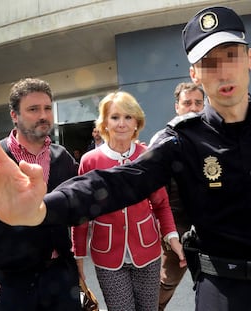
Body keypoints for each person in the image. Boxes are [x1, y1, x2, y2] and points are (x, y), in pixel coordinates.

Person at [0, 6, 251, 311]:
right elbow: (116, 181)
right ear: (195, 72)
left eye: (231, 54)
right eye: (209, 62)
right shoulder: (182, 139)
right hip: (223, 292)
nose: (222, 69)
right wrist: (41, 209)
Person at [0, 78, 81, 311]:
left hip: (59, 277)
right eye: (33, 109)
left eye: (46, 108)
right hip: (7, 282)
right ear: (14, 115)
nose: (43, 115)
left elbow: (75, 208)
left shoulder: (62, 158)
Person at [72, 91, 184, 311]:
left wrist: (172, 238)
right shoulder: (90, 161)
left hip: (148, 250)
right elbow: (81, 212)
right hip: (107, 254)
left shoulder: (148, 156)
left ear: (137, 122)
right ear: (104, 122)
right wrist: (78, 256)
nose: (121, 123)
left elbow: (161, 203)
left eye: (128, 117)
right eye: (114, 117)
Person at [158, 82, 204, 311]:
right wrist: (167, 232)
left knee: (213, 286)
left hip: (211, 229)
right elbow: (154, 191)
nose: (193, 108)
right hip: (178, 229)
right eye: (187, 103)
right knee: (166, 283)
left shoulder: (216, 137)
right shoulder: (163, 139)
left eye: (198, 103)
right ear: (177, 106)